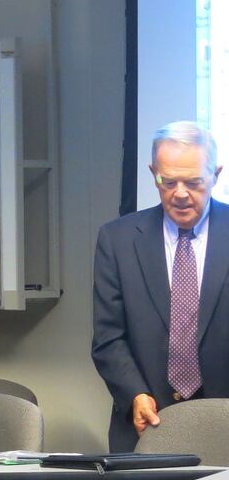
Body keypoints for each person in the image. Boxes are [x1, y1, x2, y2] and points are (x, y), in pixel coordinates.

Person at [93, 121, 229, 452]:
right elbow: (108, 338)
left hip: (225, 425)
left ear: (217, 174)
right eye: (167, 182)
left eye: (194, 182)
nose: (180, 193)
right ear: (153, 172)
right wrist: (134, 394)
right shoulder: (118, 239)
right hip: (146, 425)